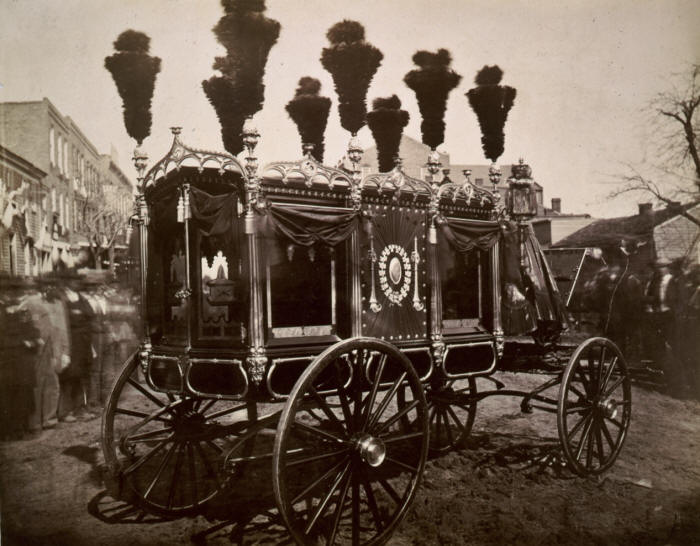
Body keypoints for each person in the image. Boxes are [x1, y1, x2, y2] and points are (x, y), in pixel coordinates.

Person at [20, 277, 69, 433]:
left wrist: (61, 350)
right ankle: (35, 422)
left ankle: (49, 419)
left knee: (52, 383)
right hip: (37, 349)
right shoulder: (28, 304)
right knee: (38, 385)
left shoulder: (52, 302)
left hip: (50, 347)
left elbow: (58, 328)